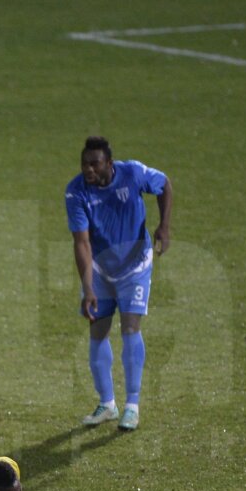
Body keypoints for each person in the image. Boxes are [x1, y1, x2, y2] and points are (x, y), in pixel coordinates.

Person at [65, 135, 173, 431]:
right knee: (97, 330)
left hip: (135, 266)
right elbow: (82, 242)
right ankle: (107, 404)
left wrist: (163, 225)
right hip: (101, 268)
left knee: (129, 328)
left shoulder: (133, 173)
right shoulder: (76, 193)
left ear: (109, 163)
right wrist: (88, 288)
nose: (88, 170)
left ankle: (132, 406)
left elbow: (164, 183)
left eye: (95, 164)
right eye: (85, 164)